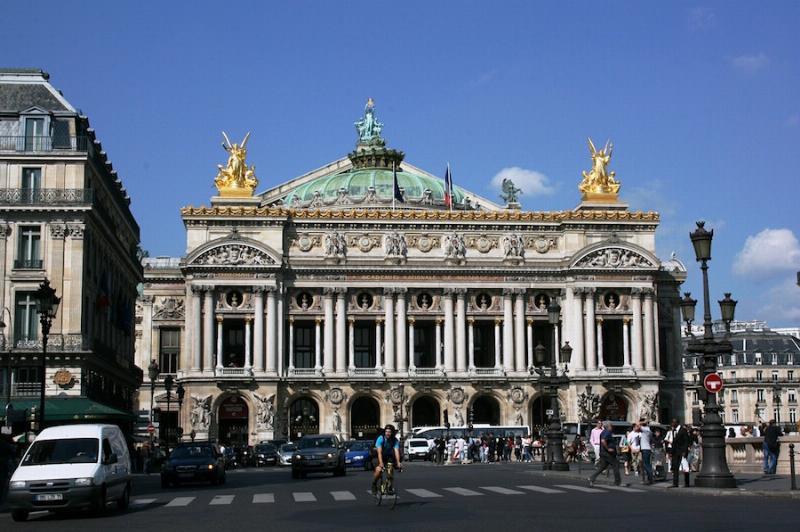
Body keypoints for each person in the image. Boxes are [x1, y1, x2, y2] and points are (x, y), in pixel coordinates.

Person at [372, 424, 403, 495]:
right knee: (379, 470)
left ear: (392, 433)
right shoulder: (381, 438)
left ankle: (389, 487)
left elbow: (396, 451)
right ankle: (374, 483)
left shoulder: (395, 440)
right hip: (377, 456)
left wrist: (398, 462)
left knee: (390, 470)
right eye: (386, 432)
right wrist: (381, 463)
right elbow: (379, 452)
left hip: (388, 456)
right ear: (384, 432)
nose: (387, 433)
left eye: (389, 432)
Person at [588, 421, 621, 486]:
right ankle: (617, 482)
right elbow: (603, 440)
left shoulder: (603, 432)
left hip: (603, 453)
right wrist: (608, 448)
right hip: (608, 453)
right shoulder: (607, 432)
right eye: (611, 426)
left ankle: (592, 477)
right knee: (615, 465)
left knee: (602, 467)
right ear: (608, 427)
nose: (612, 427)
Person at [667, 418, 690, 488]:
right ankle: (675, 483)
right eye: (672, 422)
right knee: (675, 467)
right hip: (675, 452)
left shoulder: (683, 430)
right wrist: (671, 452)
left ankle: (687, 483)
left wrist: (685, 451)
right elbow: (674, 442)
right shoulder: (674, 431)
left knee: (685, 468)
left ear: (677, 423)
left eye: (673, 422)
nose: (672, 424)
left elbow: (686, 441)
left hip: (682, 451)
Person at [637, 419, 653, 485]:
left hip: (645, 449)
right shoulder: (649, 430)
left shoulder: (645, 429)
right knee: (647, 464)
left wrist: (642, 422)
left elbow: (637, 424)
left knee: (646, 464)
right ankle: (649, 479)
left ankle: (650, 478)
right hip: (647, 448)